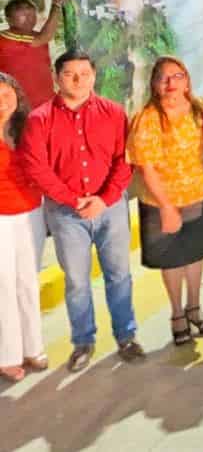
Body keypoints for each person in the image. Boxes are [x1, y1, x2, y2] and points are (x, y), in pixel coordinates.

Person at [20, 50, 141, 371]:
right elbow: (37, 167)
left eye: (85, 74)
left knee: (119, 275)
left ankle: (126, 336)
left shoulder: (114, 113)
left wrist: (104, 198)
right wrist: (74, 200)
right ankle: (83, 341)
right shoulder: (39, 119)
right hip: (65, 214)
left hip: (110, 207)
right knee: (76, 281)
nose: (79, 80)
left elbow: (124, 160)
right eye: (71, 74)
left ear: (94, 76)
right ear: (57, 78)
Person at [127, 57, 203, 346]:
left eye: (177, 76)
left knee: (194, 254)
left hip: (201, 196)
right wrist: (167, 206)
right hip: (162, 202)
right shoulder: (148, 117)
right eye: (164, 78)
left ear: (187, 80)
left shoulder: (200, 108)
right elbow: (146, 166)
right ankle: (177, 314)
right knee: (173, 258)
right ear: (154, 84)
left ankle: (194, 308)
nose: (171, 84)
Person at [0, 73, 43, 381]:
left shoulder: (29, 127)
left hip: (31, 213)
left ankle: (32, 346)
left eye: (7, 94)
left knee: (28, 281)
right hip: (0, 217)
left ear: (17, 95)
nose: (3, 101)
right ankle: (8, 355)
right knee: (4, 286)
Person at [0, 0, 69, 109]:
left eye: (32, 15)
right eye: (23, 16)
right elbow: (46, 36)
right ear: (9, 20)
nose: (30, 20)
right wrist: (56, 3)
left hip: (41, 103)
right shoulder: (9, 40)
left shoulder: (30, 35)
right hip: (25, 107)